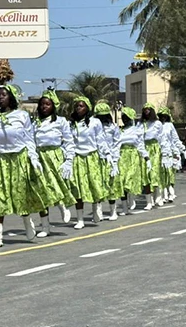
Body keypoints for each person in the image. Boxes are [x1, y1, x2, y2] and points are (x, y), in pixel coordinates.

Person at [0, 84, 44, 248]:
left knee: (20, 195)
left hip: (19, 159)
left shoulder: (22, 116)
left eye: (4, 94)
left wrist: (33, 158)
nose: (0, 97)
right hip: (1, 161)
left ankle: (27, 223)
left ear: (12, 98)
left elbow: (29, 140)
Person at [32, 88, 75, 234]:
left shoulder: (61, 121)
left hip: (55, 156)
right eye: (42, 104)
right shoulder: (35, 123)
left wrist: (68, 160)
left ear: (53, 106)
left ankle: (62, 205)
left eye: (48, 104)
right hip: (40, 158)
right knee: (42, 192)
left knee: (55, 186)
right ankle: (45, 226)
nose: (44, 107)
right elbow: (31, 141)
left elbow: (69, 141)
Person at [67, 96, 109, 230]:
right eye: (77, 106)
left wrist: (106, 155)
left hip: (92, 156)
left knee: (93, 184)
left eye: (81, 106)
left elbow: (100, 139)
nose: (78, 108)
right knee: (77, 188)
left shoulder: (94, 122)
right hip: (77, 158)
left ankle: (96, 206)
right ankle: (80, 219)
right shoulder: (71, 124)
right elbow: (69, 142)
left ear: (87, 108)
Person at [118, 107, 150, 214]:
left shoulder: (136, 130)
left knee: (129, 178)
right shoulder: (119, 131)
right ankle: (124, 207)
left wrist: (146, 158)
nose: (124, 119)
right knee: (121, 181)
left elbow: (140, 145)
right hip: (122, 156)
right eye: (123, 117)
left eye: (126, 117)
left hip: (133, 156)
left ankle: (132, 198)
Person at [95, 102, 123, 221]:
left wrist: (115, 160)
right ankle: (98, 211)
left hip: (110, 159)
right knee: (97, 185)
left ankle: (113, 211)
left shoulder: (113, 127)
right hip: (96, 158)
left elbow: (117, 143)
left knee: (111, 186)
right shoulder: (93, 126)